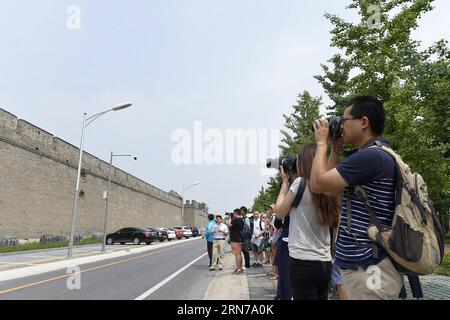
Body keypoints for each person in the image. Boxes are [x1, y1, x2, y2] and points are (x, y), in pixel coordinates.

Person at [310, 96, 403, 300]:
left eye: (344, 121)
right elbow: (330, 190)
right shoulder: (370, 156)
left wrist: (320, 144)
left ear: (363, 122)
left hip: (371, 266)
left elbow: (317, 184)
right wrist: (335, 148)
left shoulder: (371, 157)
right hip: (365, 263)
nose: (341, 126)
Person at [276, 143, 340, 300]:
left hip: (302, 260)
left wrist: (284, 182)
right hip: (325, 261)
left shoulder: (300, 183)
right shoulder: (328, 186)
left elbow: (279, 212)